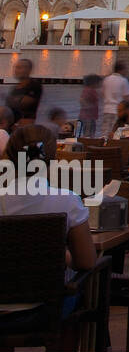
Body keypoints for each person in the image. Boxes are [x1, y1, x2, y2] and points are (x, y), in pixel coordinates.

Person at [0, 124, 97, 337]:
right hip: (45, 309)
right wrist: (61, 254)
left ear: (9, 155)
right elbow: (87, 261)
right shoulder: (67, 200)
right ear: (53, 158)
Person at [6, 58, 43, 124]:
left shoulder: (34, 85)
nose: (18, 70)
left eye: (21, 67)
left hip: (25, 124)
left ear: (29, 70)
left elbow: (22, 104)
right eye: (17, 67)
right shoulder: (15, 88)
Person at [100, 62, 129, 137]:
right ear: (121, 70)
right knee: (116, 131)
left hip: (107, 109)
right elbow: (127, 97)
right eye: (125, 70)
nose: (126, 71)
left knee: (105, 131)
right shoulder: (123, 80)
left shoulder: (106, 79)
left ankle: (103, 145)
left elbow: (103, 93)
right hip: (118, 110)